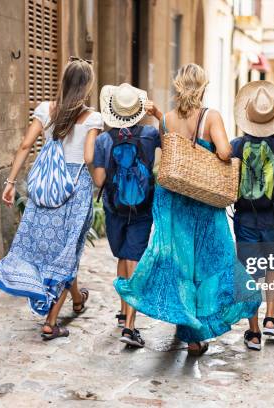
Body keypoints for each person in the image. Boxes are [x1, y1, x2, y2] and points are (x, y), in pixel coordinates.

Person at [114, 63, 261, 356]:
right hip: (203, 202)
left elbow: (171, 154)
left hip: (173, 200)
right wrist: (225, 149)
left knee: (170, 260)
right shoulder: (211, 116)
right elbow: (222, 151)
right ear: (203, 87)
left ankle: (134, 323)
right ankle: (234, 330)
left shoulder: (167, 119)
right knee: (217, 260)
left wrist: (157, 115)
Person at [0, 57, 103, 340]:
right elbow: (89, 158)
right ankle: (51, 322)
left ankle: (77, 298)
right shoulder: (93, 118)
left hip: (46, 189)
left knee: (56, 250)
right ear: (87, 86)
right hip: (75, 191)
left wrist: (11, 182)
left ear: (63, 82)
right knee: (68, 252)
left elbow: (26, 145)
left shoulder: (45, 110)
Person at [231, 81, 274, 350]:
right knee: (272, 266)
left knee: (249, 272)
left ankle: (255, 331)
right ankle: (271, 318)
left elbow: (228, 181)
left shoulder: (236, 145)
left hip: (246, 217)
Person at [92, 83, 160, 347]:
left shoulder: (103, 140)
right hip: (142, 209)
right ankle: (128, 322)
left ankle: (127, 320)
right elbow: (173, 143)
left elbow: (99, 180)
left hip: (114, 208)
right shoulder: (150, 135)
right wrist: (160, 116)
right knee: (132, 259)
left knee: (124, 257)